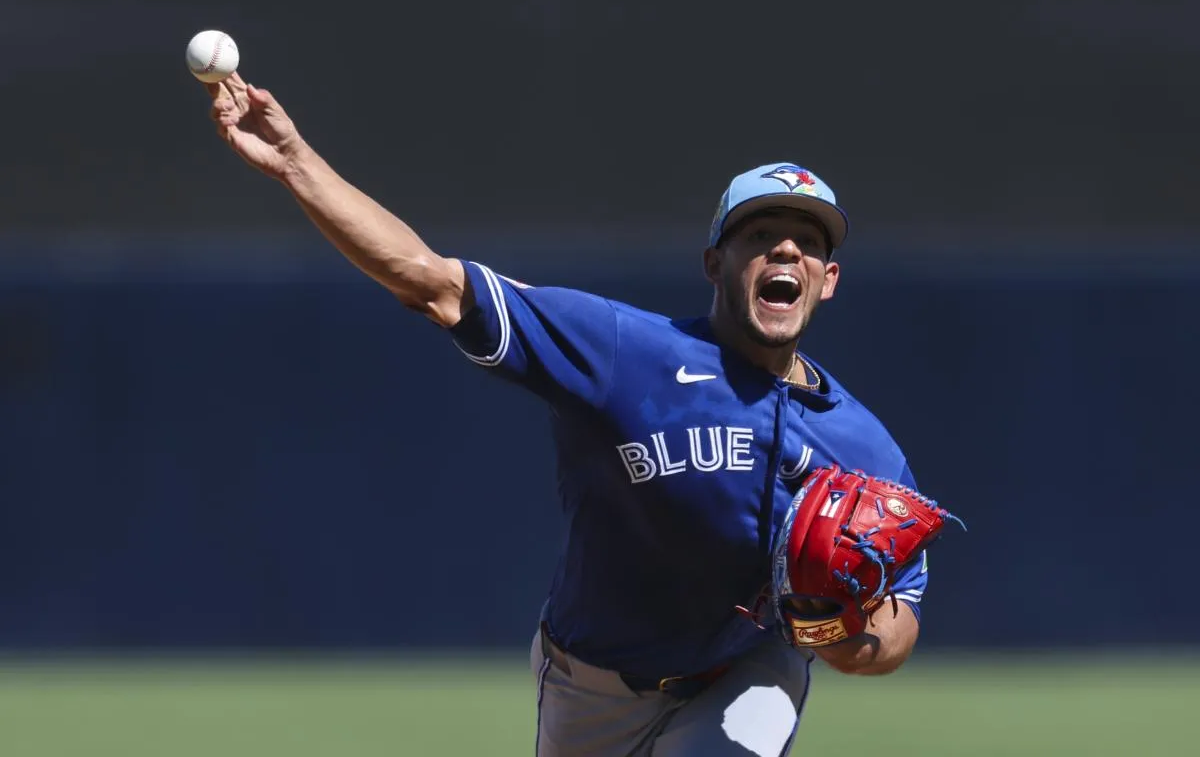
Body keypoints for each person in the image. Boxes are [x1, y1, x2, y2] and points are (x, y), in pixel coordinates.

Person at [205, 73, 932, 756]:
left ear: (827, 280)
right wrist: (297, 162)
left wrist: (835, 635)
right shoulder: (622, 352)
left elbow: (898, 621)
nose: (786, 249)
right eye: (761, 234)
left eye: (809, 243)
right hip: (592, 681)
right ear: (715, 263)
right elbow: (428, 280)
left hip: (748, 669)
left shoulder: (860, 445)